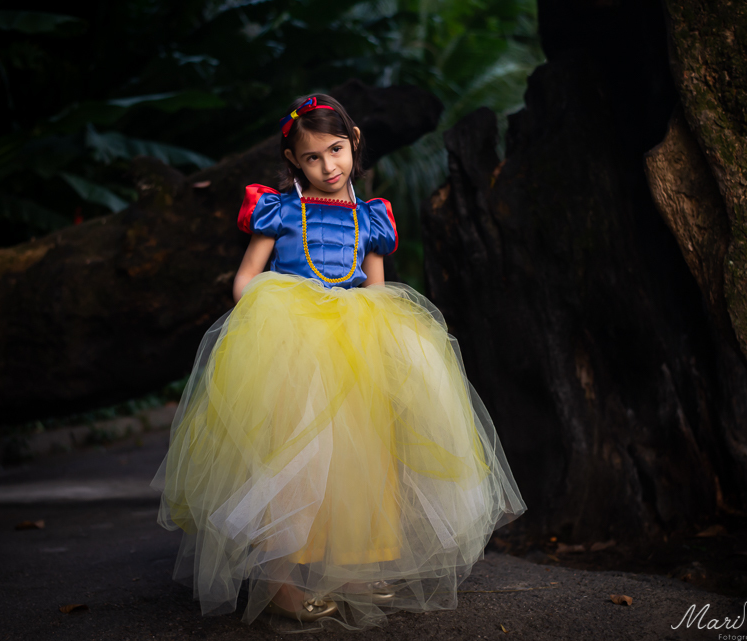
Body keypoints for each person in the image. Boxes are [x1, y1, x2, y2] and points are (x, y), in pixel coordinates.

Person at [150, 94, 525, 631]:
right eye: (312, 158)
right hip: (294, 345)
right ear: (292, 162)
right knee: (294, 460)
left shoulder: (370, 218)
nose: (329, 166)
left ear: (354, 145)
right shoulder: (278, 211)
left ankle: (347, 568)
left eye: (337, 150)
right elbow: (244, 281)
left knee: (361, 459)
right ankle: (278, 578)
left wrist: (383, 331)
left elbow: (376, 287)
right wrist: (286, 304)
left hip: (354, 346)